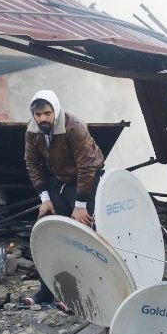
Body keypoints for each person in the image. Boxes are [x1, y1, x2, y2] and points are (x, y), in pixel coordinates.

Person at [22, 89, 105, 306]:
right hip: (59, 181)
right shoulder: (32, 131)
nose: (43, 119)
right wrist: (44, 198)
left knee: (85, 232)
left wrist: (80, 205)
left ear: (55, 111)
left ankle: (86, 294)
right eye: (38, 115)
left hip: (87, 179)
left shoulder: (74, 127)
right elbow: (32, 163)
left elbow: (87, 166)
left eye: (47, 113)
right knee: (47, 229)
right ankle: (47, 292)